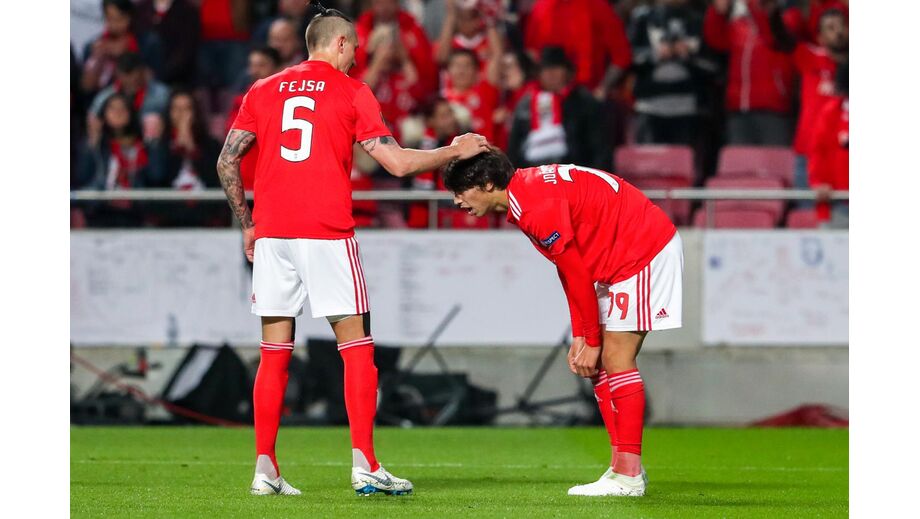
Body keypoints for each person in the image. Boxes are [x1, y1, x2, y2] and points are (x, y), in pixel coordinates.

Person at [216, 5, 490, 496]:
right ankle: (365, 464)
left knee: (274, 351)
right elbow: (398, 163)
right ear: (340, 43)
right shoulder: (351, 90)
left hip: (274, 234)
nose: (356, 59)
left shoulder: (263, 88)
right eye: (355, 50)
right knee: (357, 346)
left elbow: (226, 160)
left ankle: (266, 470)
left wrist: (248, 224)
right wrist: (455, 149)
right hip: (325, 232)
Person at [443, 149, 683, 497]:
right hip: (619, 256)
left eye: (460, 191)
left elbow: (576, 273)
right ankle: (622, 469)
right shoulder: (526, 193)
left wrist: (593, 339)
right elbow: (568, 270)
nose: (456, 201)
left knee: (615, 357)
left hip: (641, 249)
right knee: (601, 363)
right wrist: (580, 335)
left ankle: (629, 475)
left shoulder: (534, 205)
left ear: (488, 183)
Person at [703, 0, 800, 145]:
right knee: (739, 165)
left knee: (775, 164)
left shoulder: (789, 14)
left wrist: (754, 5)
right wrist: (717, 11)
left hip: (773, 108)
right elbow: (716, 40)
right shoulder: (739, 20)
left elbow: (771, 37)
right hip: (738, 108)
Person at [628, 0, 716, 146]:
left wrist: (688, 56)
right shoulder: (642, 18)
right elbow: (627, 58)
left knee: (683, 163)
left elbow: (713, 65)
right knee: (648, 163)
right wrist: (655, 55)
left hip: (687, 107)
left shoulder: (697, 20)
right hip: (649, 106)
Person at [508, 47, 611, 171]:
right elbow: (514, 147)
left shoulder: (585, 102)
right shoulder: (526, 104)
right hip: (533, 176)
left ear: (567, 72)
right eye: (545, 69)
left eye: (556, 68)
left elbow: (600, 147)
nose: (550, 73)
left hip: (577, 175)